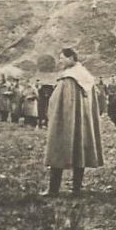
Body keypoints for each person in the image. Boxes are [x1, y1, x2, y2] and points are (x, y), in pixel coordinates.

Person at [41, 48, 103, 196]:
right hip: (83, 122)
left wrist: (54, 114)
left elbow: (61, 102)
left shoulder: (69, 78)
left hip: (66, 120)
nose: (60, 61)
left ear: (71, 58)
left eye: (62, 58)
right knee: (80, 150)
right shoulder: (86, 75)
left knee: (58, 148)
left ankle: (53, 189)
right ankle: (76, 188)